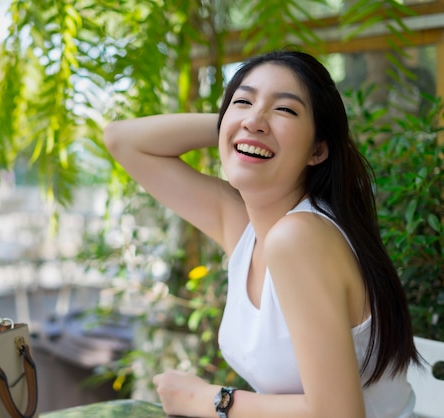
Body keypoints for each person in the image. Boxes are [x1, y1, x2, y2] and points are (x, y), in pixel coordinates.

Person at [103, 49, 420, 417]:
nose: (255, 118)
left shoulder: (300, 237)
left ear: (318, 150)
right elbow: (122, 140)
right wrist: (238, 126)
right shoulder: (245, 225)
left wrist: (207, 400)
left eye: (286, 109)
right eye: (243, 100)